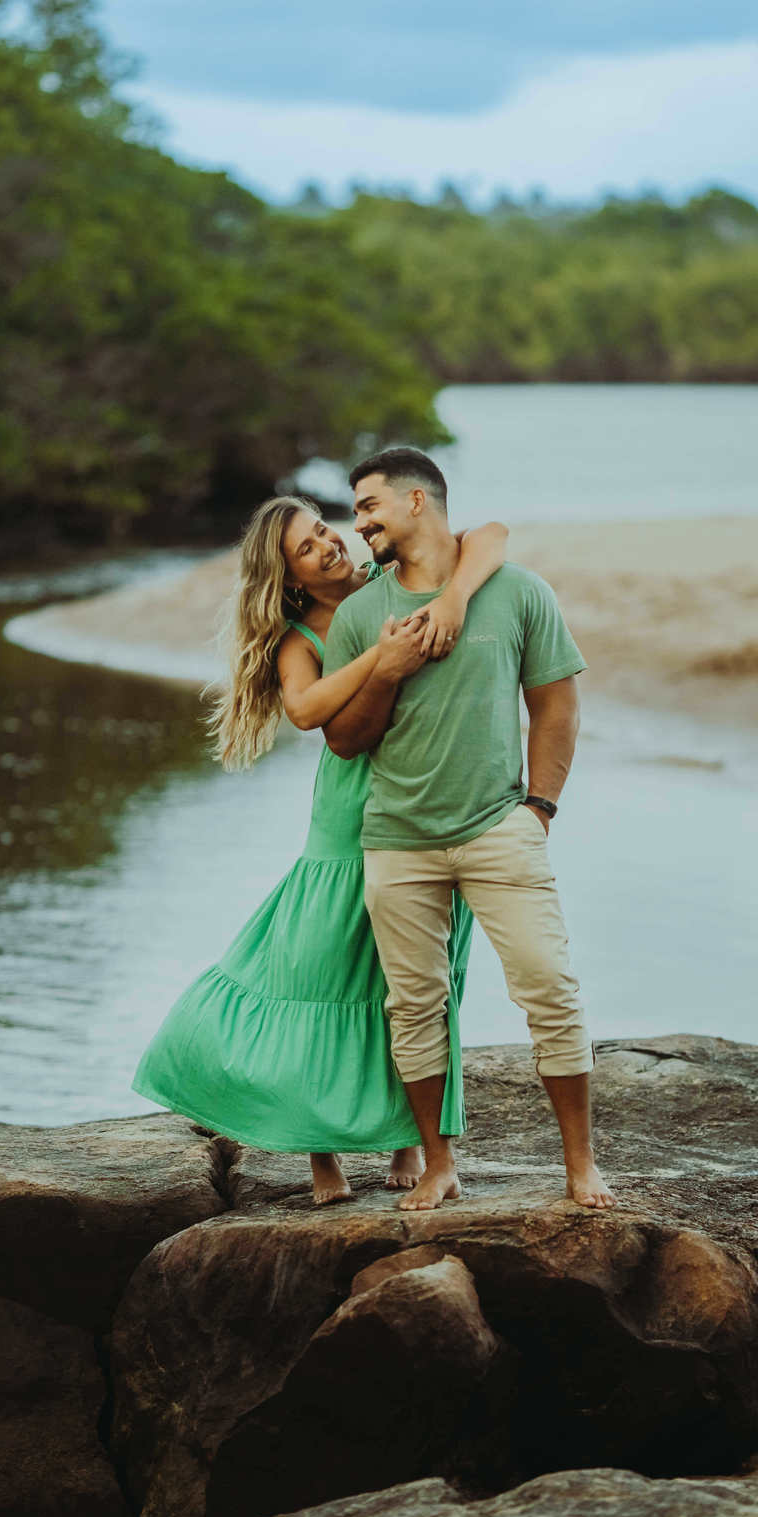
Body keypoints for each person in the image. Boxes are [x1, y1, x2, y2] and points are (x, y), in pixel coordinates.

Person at [130, 495, 509, 1205]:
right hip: (347, 819)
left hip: (428, 803)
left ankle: (411, 1140)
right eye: (308, 547)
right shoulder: (299, 637)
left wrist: (454, 596)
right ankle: (321, 1156)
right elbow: (305, 711)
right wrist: (381, 659)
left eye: (324, 530)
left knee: (418, 978)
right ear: (293, 578)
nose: (330, 544)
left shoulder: (387, 578)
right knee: (322, 971)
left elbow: (489, 536)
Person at [322, 447, 614, 1213]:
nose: (360, 524)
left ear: (418, 502)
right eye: (356, 511)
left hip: (499, 828)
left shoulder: (517, 592)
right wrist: (385, 669)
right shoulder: (359, 615)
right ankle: (439, 1165)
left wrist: (540, 808)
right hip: (397, 839)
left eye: (369, 506)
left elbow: (557, 705)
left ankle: (581, 1166)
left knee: (550, 986)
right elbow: (346, 740)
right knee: (412, 1005)